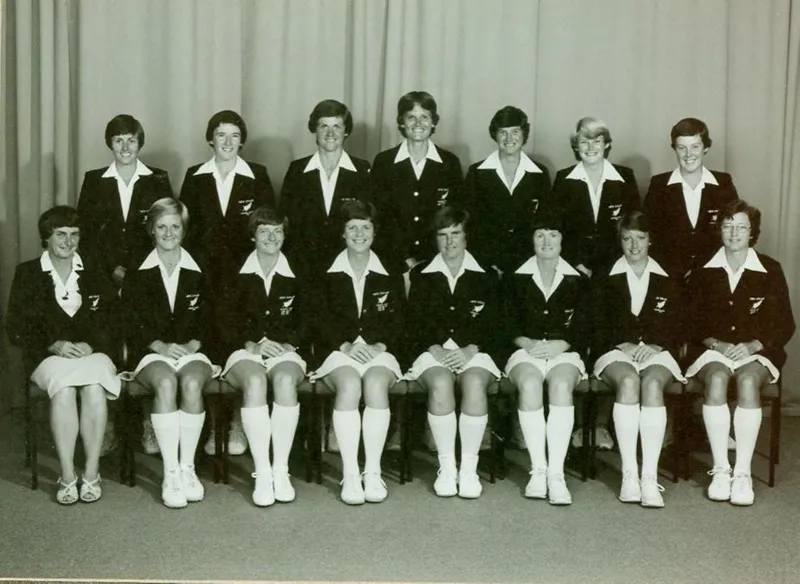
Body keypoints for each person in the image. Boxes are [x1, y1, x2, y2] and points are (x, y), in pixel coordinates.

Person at [7, 206, 120, 504]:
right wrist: (52, 345)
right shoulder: (28, 273)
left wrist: (92, 345)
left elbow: (114, 321)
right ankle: (68, 475)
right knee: (66, 390)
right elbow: (15, 327)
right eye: (60, 235)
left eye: (74, 235)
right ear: (46, 238)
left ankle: (92, 472)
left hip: (91, 355)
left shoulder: (94, 271)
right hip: (48, 358)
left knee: (94, 386)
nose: (68, 243)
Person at [77, 113, 175, 458]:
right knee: (106, 343)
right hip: (105, 278)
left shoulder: (157, 179)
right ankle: (108, 426)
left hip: (146, 275)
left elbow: (165, 230)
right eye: (118, 140)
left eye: (131, 140)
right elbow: (85, 236)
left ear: (140, 143)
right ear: (110, 144)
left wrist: (133, 272)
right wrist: (110, 274)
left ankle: (150, 420)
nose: (125, 147)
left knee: (144, 341)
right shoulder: (94, 180)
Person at [684, 200, 795, 506]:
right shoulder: (704, 270)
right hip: (712, 349)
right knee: (717, 378)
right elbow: (690, 321)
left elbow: (785, 323)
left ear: (753, 232)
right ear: (720, 230)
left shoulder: (770, 269)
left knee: (747, 382)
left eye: (741, 226)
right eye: (727, 225)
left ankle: (742, 473)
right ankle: (721, 470)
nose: (734, 233)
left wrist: (753, 345)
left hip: (756, 350)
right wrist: (717, 345)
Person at [180, 110, 277, 457]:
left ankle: (236, 420)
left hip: (245, 277)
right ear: (210, 138)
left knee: (240, 346)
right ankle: (211, 426)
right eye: (221, 135)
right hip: (204, 276)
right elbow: (183, 231)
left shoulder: (257, 176)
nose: (227, 142)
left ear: (242, 140)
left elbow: (267, 229)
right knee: (208, 345)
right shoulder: (195, 177)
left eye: (234, 136)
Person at [280, 99, 372, 453]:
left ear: (346, 130)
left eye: (337, 126)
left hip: (347, 272)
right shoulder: (296, 170)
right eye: (323, 126)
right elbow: (287, 225)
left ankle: (339, 425)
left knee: (344, 341)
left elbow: (367, 224)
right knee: (309, 343)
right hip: (306, 271)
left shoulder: (363, 170)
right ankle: (307, 429)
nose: (330, 133)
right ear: (314, 130)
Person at [551, 117, 640, 451]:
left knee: (606, 342)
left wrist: (603, 268)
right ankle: (574, 424)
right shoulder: (563, 179)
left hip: (611, 275)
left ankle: (601, 424)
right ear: (576, 146)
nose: (590, 148)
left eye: (596, 141)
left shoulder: (624, 179)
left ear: (607, 144)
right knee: (574, 344)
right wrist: (578, 265)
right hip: (573, 274)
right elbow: (555, 227)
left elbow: (631, 229)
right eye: (583, 143)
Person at [121, 198, 216, 509]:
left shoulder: (201, 265)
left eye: (175, 226)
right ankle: (170, 473)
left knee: (190, 384)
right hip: (152, 352)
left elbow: (215, 315)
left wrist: (193, 345)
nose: (169, 232)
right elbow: (128, 319)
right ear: (151, 229)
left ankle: (188, 468)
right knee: (165, 384)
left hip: (193, 351)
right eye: (161, 226)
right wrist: (159, 345)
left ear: (184, 229)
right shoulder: (137, 268)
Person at [311, 200, 404, 505]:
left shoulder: (388, 268)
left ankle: (372, 472)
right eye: (352, 227)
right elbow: (318, 317)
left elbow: (399, 317)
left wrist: (379, 345)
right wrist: (345, 345)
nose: (359, 233)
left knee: (376, 384)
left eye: (366, 227)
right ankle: (351, 473)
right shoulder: (326, 270)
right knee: (350, 384)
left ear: (375, 233)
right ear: (342, 233)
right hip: (340, 350)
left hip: (380, 350)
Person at [405, 206, 502, 499]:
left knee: (473, 382)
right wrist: (434, 347)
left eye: (455, 234)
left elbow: (497, 324)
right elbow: (412, 323)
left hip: (475, 350)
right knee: (441, 382)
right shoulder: (421, 274)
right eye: (443, 235)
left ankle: (469, 469)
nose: (449, 242)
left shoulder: (486, 274)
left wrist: (472, 349)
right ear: (435, 239)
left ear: (466, 236)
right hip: (431, 350)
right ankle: (447, 467)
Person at [591, 211, 684, 508]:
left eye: (640, 239)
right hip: (615, 350)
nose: (634, 246)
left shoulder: (668, 274)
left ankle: (649, 476)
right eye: (627, 239)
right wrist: (623, 344)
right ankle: (629, 474)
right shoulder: (605, 273)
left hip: (658, 351)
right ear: (619, 240)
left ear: (650, 240)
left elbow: (681, 324)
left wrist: (657, 346)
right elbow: (592, 322)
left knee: (653, 384)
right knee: (629, 381)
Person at [218, 207, 307, 507]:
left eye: (278, 231)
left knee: (283, 379)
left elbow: (310, 318)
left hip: (285, 351)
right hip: (245, 350)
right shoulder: (232, 271)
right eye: (264, 231)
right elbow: (221, 320)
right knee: (255, 380)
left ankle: (281, 469)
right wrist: (251, 345)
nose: (271, 237)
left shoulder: (299, 270)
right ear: (252, 235)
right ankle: (263, 471)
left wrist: (290, 344)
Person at [503, 214, 588, 505]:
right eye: (540, 235)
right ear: (532, 239)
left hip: (565, 351)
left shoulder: (579, 279)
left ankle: (556, 473)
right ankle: (538, 469)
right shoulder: (515, 277)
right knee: (529, 384)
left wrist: (561, 344)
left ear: (562, 239)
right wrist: (526, 342)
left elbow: (588, 324)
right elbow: (505, 322)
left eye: (553, 234)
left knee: (561, 386)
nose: (547, 241)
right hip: (525, 351)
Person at [371, 91, 464, 275]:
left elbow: (455, 215)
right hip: (392, 260)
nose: (418, 124)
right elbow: (379, 217)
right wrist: (406, 258)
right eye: (411, 117)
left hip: (438, 261)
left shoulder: (449, 163)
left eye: (425, 117)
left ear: (433, 121)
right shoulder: (384, 162)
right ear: (401, 122)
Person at [644, 117, 739, 280]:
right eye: (682, 148)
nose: (689, 155)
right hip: (670, 277)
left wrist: (702, 271)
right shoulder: (659, 185)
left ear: (706, 147)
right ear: (674, 148)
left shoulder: (723, 183)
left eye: (695, 147)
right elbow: (650, 235)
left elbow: (733, 232)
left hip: (713, 276)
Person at [463, 105, 551, 276]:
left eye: (515, 131)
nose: (509, 138)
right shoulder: (477, 172)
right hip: (486, 263)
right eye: (503, 132)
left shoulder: (540, 173)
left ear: (524, 134)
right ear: (495, 135)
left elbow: (545, 220)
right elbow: (470, 222)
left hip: (528, 263)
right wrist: (486, 261)